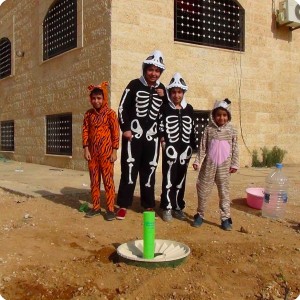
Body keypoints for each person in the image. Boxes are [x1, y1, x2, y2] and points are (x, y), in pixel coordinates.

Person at [116, 50, 168, 220]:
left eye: (157, 71)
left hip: (152, 137)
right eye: (150, 69)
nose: (153, 73)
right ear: (145, 69)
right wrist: (125, 128)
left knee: (150, 171)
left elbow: (166, 114)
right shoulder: (134, 84)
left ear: (160, 73)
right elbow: (122, 107)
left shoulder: (162, 89)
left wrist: (165, 98)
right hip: (134, 135)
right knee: (129, 169)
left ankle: (148, 204)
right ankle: (123, 204)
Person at [192, 98, 239, 230]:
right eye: (218, 115)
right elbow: (202, 147)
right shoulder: (208, 129)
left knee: (224, 193)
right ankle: (200, 215)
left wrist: (234, 164)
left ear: (228, 116)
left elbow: (235, 147)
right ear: (213, 115)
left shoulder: (232, 130)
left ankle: (225, 218)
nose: (221, 118)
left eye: (224, 115)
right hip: (208, 166)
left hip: (224, 168)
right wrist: (197, 161)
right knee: (203, 190)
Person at [159, 73, 196, 222]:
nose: (176, 95)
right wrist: (163, 142)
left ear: (183, 93)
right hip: (170, 148)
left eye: (179, 92)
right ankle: (166, 206)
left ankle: (178, 206)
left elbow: (192, 129)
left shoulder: (189, 109)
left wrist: (193, 148)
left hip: (184, 149)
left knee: (181, 178)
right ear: (170, 93)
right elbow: (161, 125)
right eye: (173, 92)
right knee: (168, 177)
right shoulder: (165, 108)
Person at [82, 81, 120, 221]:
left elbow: (115, 133)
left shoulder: (110, 114)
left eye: (99, 98)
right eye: (94, 98)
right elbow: (85, 131)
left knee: (108, 181)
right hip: (92, 154)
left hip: (106, 154)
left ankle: (110, 208)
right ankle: (96, 207)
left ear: (104, 98)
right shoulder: (88, 114)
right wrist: (86, 148)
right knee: (94, 181)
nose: (96, 101)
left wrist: (114, 151)